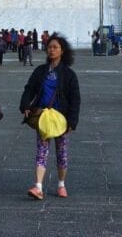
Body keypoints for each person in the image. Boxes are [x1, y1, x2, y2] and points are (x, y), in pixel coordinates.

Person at [20, 34, 81, 200]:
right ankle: (38, 186)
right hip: (43, 116)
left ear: (62, 51)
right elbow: (29, 88)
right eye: (49, 47)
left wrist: (72, 121)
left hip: (61, 118)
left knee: (62, 152)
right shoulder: (41, 71)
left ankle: (61, 184)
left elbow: (75, 99)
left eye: (55, 47)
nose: (51, 50)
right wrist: (25, 105)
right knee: (41, 151)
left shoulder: (69, 74)